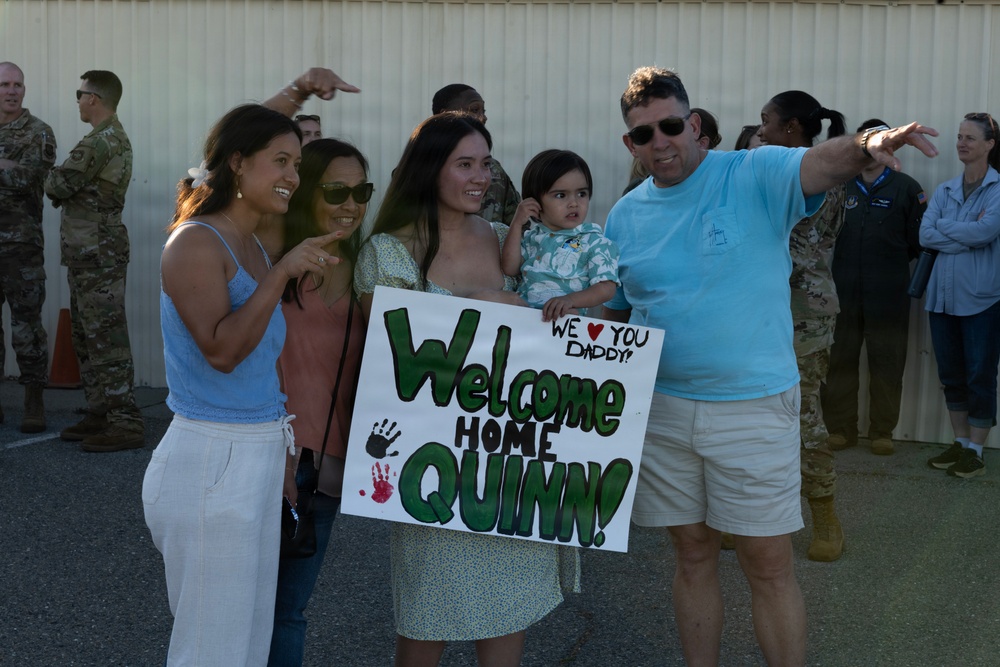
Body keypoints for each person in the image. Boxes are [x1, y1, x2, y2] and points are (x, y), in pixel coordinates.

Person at [603, 66, 937, 665]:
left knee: (769, 566)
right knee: (694, 555)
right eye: (643, 134)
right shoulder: (624, 217)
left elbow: (824, 163)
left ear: (695, 125)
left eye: (671, 126)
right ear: (630, 143)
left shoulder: (752, 173)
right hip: (665, 414)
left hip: (753, 409)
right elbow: (612, 314)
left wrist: (867, 145)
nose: (660, 142)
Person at [355, 112, 573, 667]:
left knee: (509, 616)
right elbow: (390, 368)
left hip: (511, 470)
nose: (480, 176)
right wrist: (477, 309)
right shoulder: (388, 252)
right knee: (426, 620)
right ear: (431, 170)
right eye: (464, 164)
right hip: (435, 470)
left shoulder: (509, 239)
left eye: (485, 162)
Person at [142, 103, 348, 667]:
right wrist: (282, 273)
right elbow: (223, 351)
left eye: (297, 163)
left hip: (254, 455)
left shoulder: (251, 244)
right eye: (279, 160)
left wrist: (281, 456)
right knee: (213, 650)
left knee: (248, 645)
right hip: (209, 460)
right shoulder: (195, 244)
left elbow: (262, 370)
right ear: (237, 163)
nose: (292, 176)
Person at [268, 139, 370, 667]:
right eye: (336, 190)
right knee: (239, 607)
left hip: (326, 472)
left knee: (289, 611)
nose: (351, 203)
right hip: (262, 460)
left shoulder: (372, 271)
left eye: (361, 191)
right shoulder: (272, 256)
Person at [757, 90, 848, 562]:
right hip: (765, 311)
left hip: (803, 317)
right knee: (756, 417)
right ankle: (757, 519)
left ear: (791, 128)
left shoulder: (811, 175)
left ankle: (825, 514)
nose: (760, 130)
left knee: (802, 416)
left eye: (767, 121)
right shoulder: (779, 168)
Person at [42, 70, 144, 452]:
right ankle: (102, 412)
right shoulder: (106, 139)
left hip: (97, 253)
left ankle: (125, 420)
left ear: (94, 99)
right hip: (89, 252)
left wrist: (48, 173)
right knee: (86, 335)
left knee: (106, 338)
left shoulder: (101, 142)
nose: (78, 100)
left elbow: (58, 185)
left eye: (80, 94)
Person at [823, 118, 927, 455]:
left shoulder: (907, 189)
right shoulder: (840, 187)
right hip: (843, 291)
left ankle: (882, 432)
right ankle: (841, 429)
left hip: (889, 293)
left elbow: (919, 243)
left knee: (887, 361)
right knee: (839, 360)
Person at [923, 112, 1000, 479]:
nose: (961, 143)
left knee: (979, 374)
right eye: (959, 136)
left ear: (989, 144)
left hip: (982, 298)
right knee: (951, 374)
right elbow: (925, 235)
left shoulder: (999, 190)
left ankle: (977, 449)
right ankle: (959, 443)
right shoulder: (946, 190)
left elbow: (986, 232)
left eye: (970, 137)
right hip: (942, 297)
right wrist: (963, 234)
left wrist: (947, 230)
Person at [0, 61, 56, 433]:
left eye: (18, 84)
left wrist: (9, 166)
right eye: (5, 84)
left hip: (21, 248)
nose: (12, 90)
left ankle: (33, 401)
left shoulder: (39, 131)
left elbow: (29, 176)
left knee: (27, 328)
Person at [501, 149, 619, 321]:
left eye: (582, 194)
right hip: (524, 318)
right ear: (534, 202)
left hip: (563, 321)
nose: (574, 203)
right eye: (561, 195)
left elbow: (606, 288)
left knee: (569, 316)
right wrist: (517, 223)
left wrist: (569, 300)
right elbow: (510, 268)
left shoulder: (593, 241)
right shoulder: (532, 237)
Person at [432, 83, 521, 225]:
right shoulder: (420, 169)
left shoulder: (494, 169)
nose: (483, 117)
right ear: (445, 115)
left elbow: (518, 226)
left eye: (483, 111)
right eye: (474, 110)